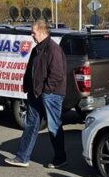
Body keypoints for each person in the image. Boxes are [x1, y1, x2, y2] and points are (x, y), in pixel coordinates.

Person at [5, 19, 67, 168]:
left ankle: (60, 158)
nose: (31, 35)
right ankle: (22, 157)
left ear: (42, 31)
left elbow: (57, 75)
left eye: (33, 32)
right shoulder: (37, 49)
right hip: (35, 94)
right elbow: (31, 70)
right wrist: (27, 86)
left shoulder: (53, 49)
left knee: (53, 126)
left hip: (50, 95)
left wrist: (45, 90)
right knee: (31, 126)